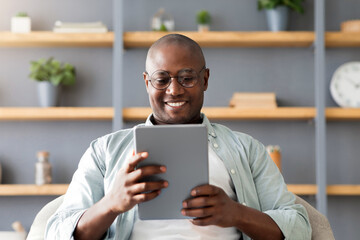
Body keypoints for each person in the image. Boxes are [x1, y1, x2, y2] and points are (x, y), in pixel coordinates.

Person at [45, 34, 311, 240]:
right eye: (162, 79)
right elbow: (56, 232)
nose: (174, 90)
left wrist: (236, 213)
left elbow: (299, 227)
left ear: (205, 80)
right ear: (147, 82)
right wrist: (111, 204)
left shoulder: (247, 149)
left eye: (187, 78)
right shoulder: (104, 151)